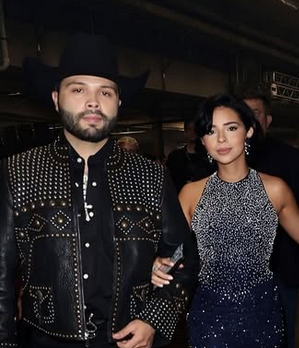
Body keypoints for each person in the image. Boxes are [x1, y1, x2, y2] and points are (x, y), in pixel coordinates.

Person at [0, 33, 198, 348]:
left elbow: (184, 258)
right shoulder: (18, 171)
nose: (93, 101)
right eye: (78, 89)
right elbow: (1, 278)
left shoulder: (151, 176)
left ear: (118, 102)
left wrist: (154, 319)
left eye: (105, 92)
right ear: (56, 97)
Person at [152, 94, 299, 347]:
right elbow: (176, 252)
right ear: (203, 140)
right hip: (208, 316)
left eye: (231, 128)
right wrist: (158, 265)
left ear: (249, 131)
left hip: (262, 315)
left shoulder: (275, 189)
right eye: (211, 131)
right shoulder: (190, 193)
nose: (221, 139)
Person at [243, 91, 299, 348]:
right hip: (235, 272)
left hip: (283, 262)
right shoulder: (218, 165)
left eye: (255, 113)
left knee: (282, 334)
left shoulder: (290, 158)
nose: (248, 119)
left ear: (268, 120)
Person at [166, 120, 215, 191]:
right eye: (189, 129)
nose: (192, 132)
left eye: (195, 129)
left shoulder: (208, 155)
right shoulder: (175, 156)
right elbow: (170, 180)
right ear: (185, 132)